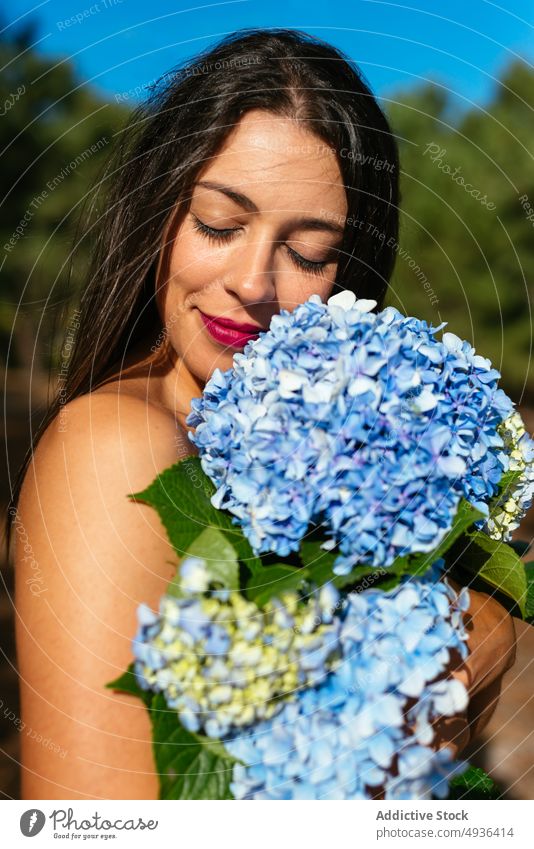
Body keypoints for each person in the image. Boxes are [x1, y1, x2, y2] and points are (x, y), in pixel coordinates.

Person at [8, 27, 516, 800]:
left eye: (309, 251)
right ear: (161, 217)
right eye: (219, 222)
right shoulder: (110, 447)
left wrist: (481, 618)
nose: (253, 281)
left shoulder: (345, 443)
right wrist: (474, 640)